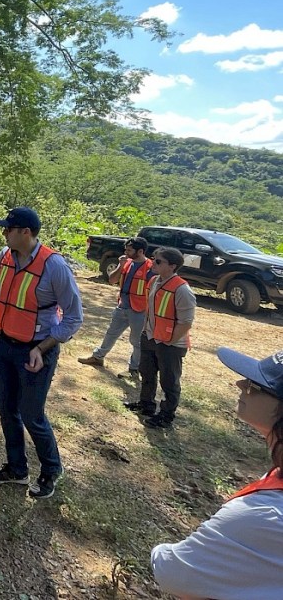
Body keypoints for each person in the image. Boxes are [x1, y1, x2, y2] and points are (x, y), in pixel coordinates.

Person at [151, 347, 283, 600]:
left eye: (256, 386)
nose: (241, 384)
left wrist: (158, 551)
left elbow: (174, 571)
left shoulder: (263, 514)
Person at [0, 207, 83, 499]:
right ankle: (17, 469)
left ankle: (51, 470)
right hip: (6, 346)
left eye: (8, 229)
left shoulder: (55, 266)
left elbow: (74, 318)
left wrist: (42, 347)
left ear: (25, 232)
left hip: (36, 351)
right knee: (6, 408)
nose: (4, 233)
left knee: (31, 414)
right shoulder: (5, 256)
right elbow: (1, 298)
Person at [124, 247, 196, 428]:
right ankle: (146, 404)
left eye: (158, 261)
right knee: (146, 372)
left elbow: (186, 322)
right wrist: (146, 332)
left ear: (172, 266)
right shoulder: (154, 281)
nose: (153, 263)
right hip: (150, 338)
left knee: (169, 381)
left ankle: (166, 415)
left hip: (170, 344)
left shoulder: (182, 290)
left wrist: (170, 341)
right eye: (153, 259)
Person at [78, 237, 153, 378]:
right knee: (111, 333)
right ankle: (98, 357)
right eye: (126, 249)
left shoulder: (150, 268)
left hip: (139, 310)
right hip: (122, 306)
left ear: (140, 251)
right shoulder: (127, 263)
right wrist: (120, 265)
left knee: (136, 341)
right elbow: (112, 280)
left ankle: (134, 369)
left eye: (129, 250)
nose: (126, 252)